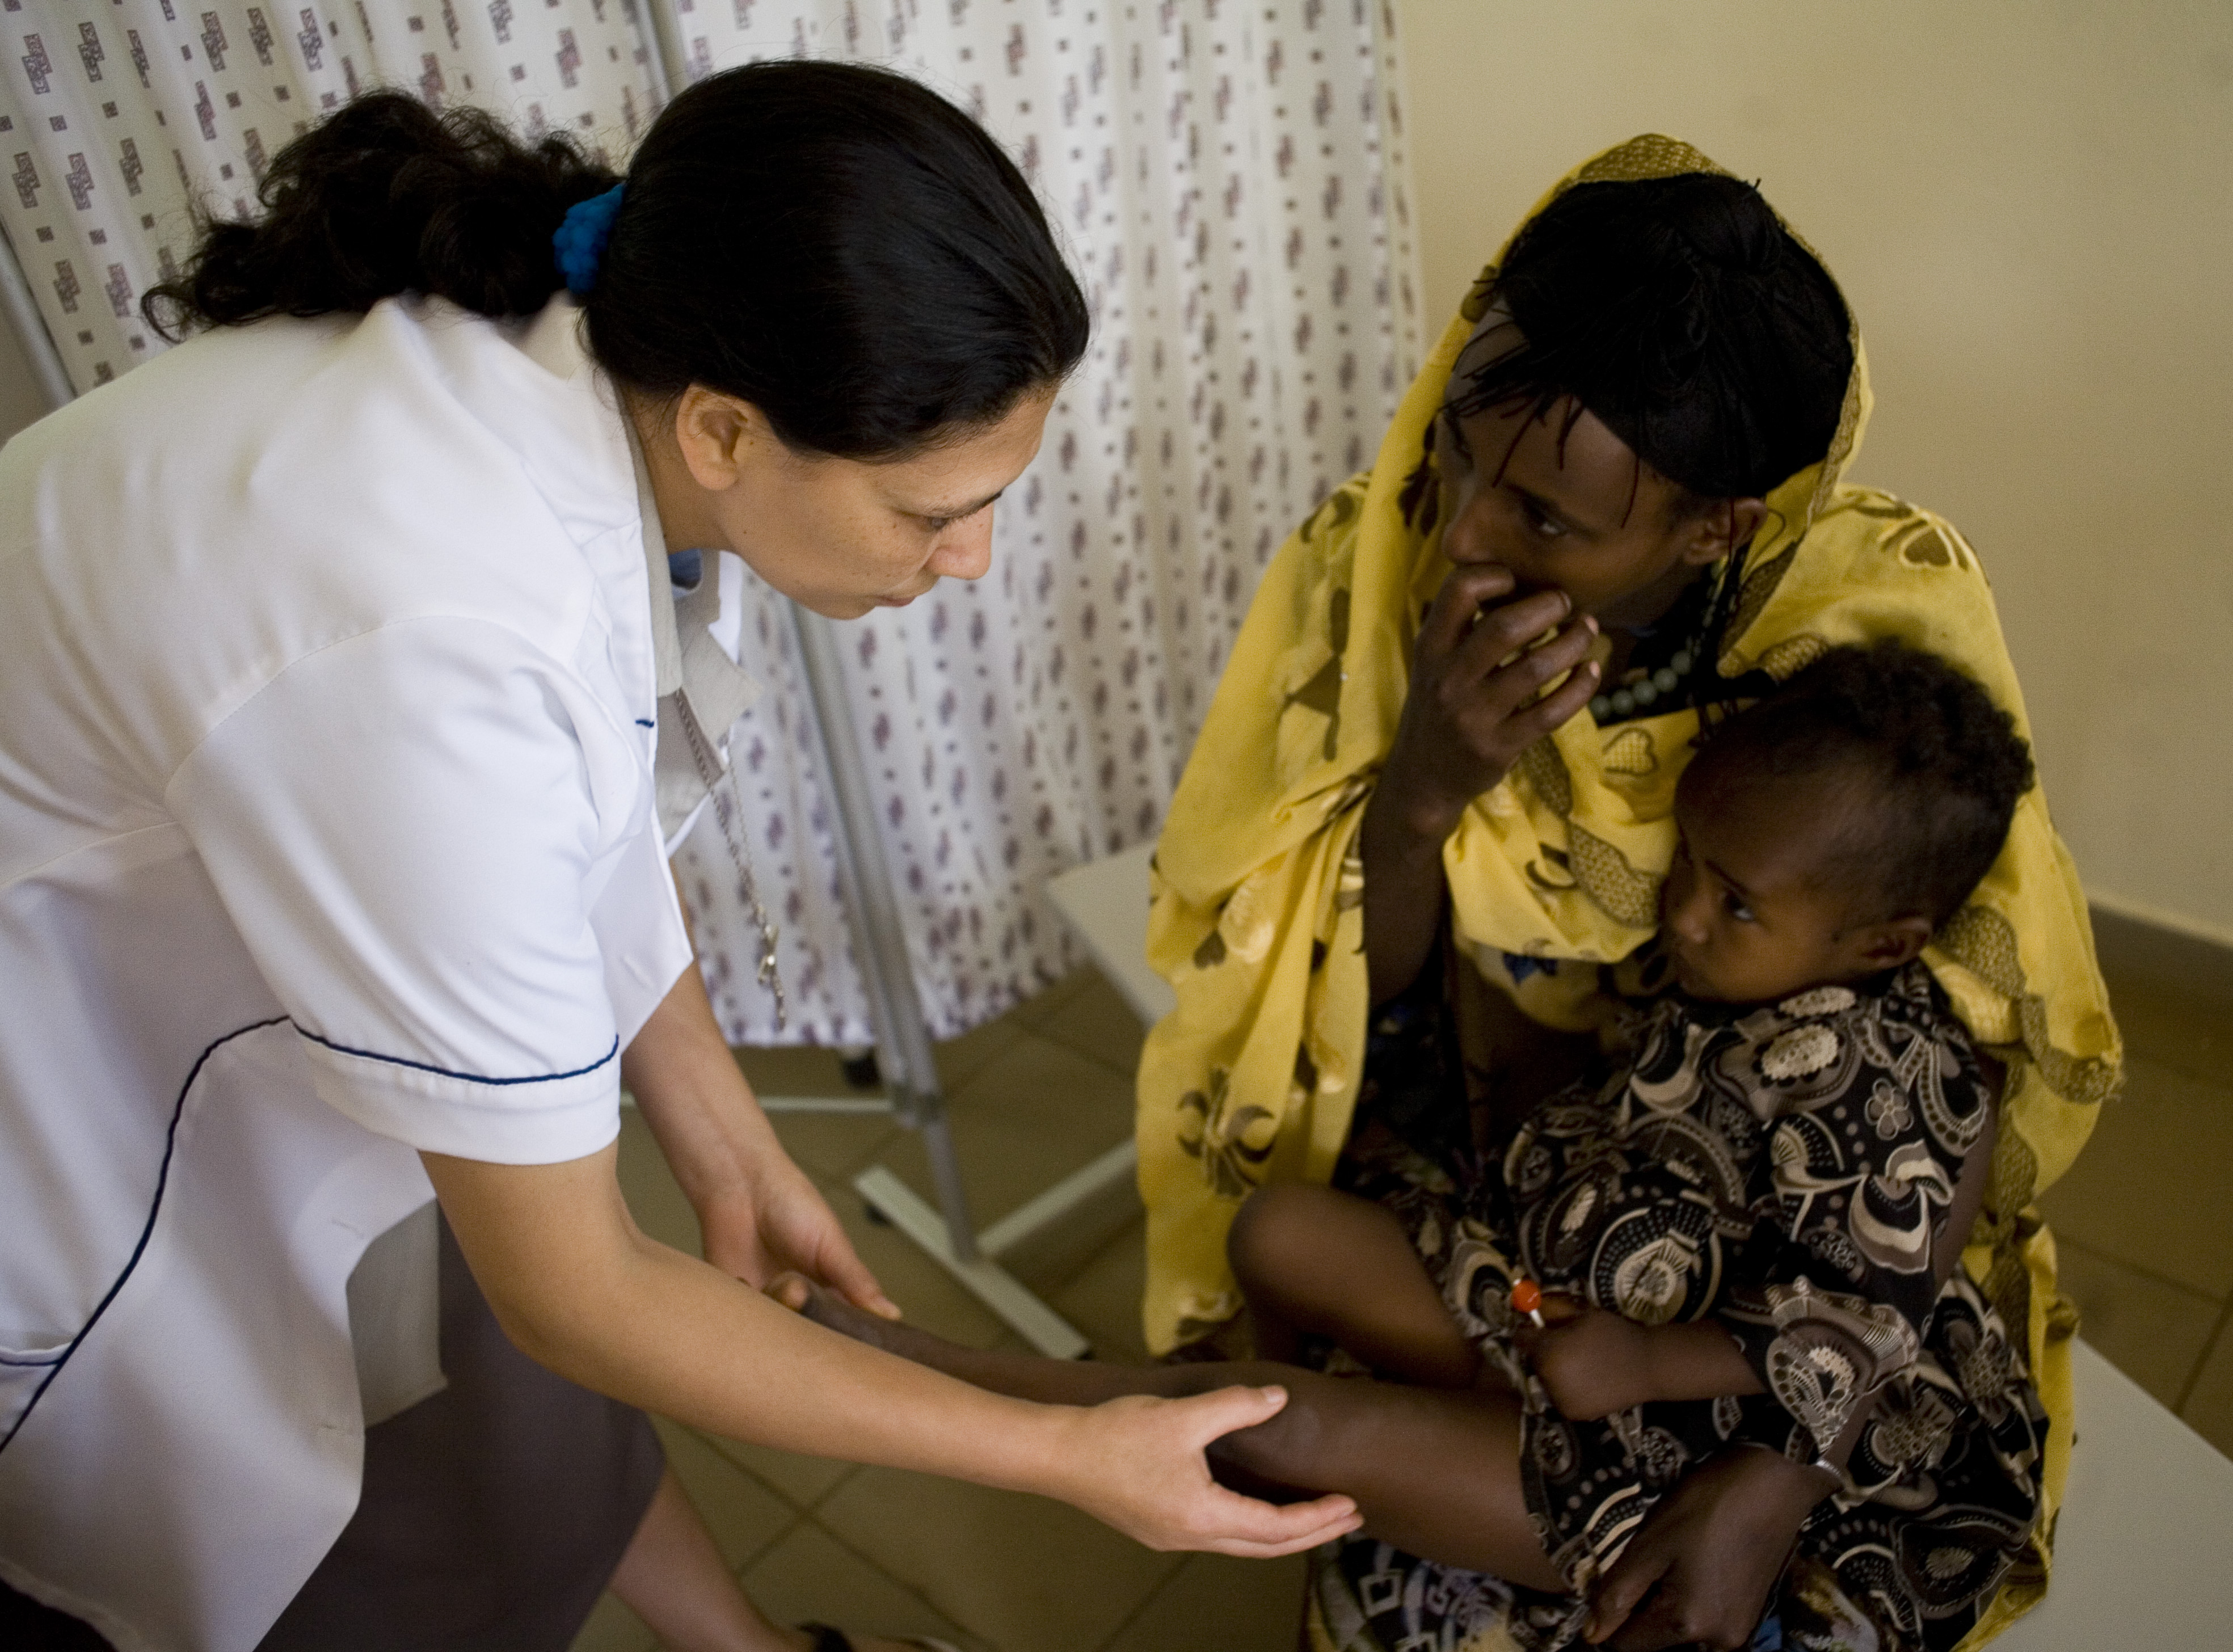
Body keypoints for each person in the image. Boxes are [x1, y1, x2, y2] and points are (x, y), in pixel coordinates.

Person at [0, 66, 1355, 1652]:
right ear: (723, 429)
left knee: (507, 1377)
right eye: (934, 511)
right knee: (360, 1531)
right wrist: (1067, 1457)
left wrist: (719, 1130)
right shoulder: (432, 638)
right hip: (72, 1132)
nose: (973, 558)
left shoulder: (578, 377)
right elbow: (577, 1293)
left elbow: (577, 832)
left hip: (239, 975)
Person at [1132, 135, 2123, 1648]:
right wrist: (1423, 791)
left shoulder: (1875, 637)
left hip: (1775, 1276)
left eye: (1545, 518)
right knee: (1298, 1300)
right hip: (1524, 1184)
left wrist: (1778, 1475)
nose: (1464, 530)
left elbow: (1945, 1092)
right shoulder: (1370, 566)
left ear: (1716, 527)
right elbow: (1343, 997)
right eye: (1463, 451)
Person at [773, 639, 2050, 1651]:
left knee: (1282, 1426)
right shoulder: (1752, 970)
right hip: (1557, 1317)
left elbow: (1858, 1314)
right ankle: (1268, 1464)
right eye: (1693, 866)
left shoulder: (1894, 1076)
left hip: (1682, 1445)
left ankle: (931, 1376)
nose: (1686, 914)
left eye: (1735, 901)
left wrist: (1645, 1361)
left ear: (1885, 943)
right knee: (1277, 1230)